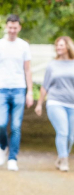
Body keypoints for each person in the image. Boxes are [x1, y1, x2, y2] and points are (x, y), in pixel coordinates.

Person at [0, 14, 34, 171]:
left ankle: (13, 158)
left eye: (15, 27)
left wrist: (30, 92)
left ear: (19, 28)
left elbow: (28, 70)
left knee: (16, 126)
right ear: (6, 27)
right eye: (10, 27)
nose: (12, 30)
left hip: (19, 89)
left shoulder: (24, 46)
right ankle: (2, 147)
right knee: (1, 124)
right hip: (1, 89)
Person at [34, 36, 74, 172]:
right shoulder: (52, 65)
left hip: (72, 104)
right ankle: (64, 160)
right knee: (62, 131)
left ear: (68, 46)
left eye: (61, 45)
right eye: (57, 45)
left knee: (71, 136)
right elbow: (45, 86)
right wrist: (39, 104)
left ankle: (61, 156)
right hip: (55, 101)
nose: (58, 48)